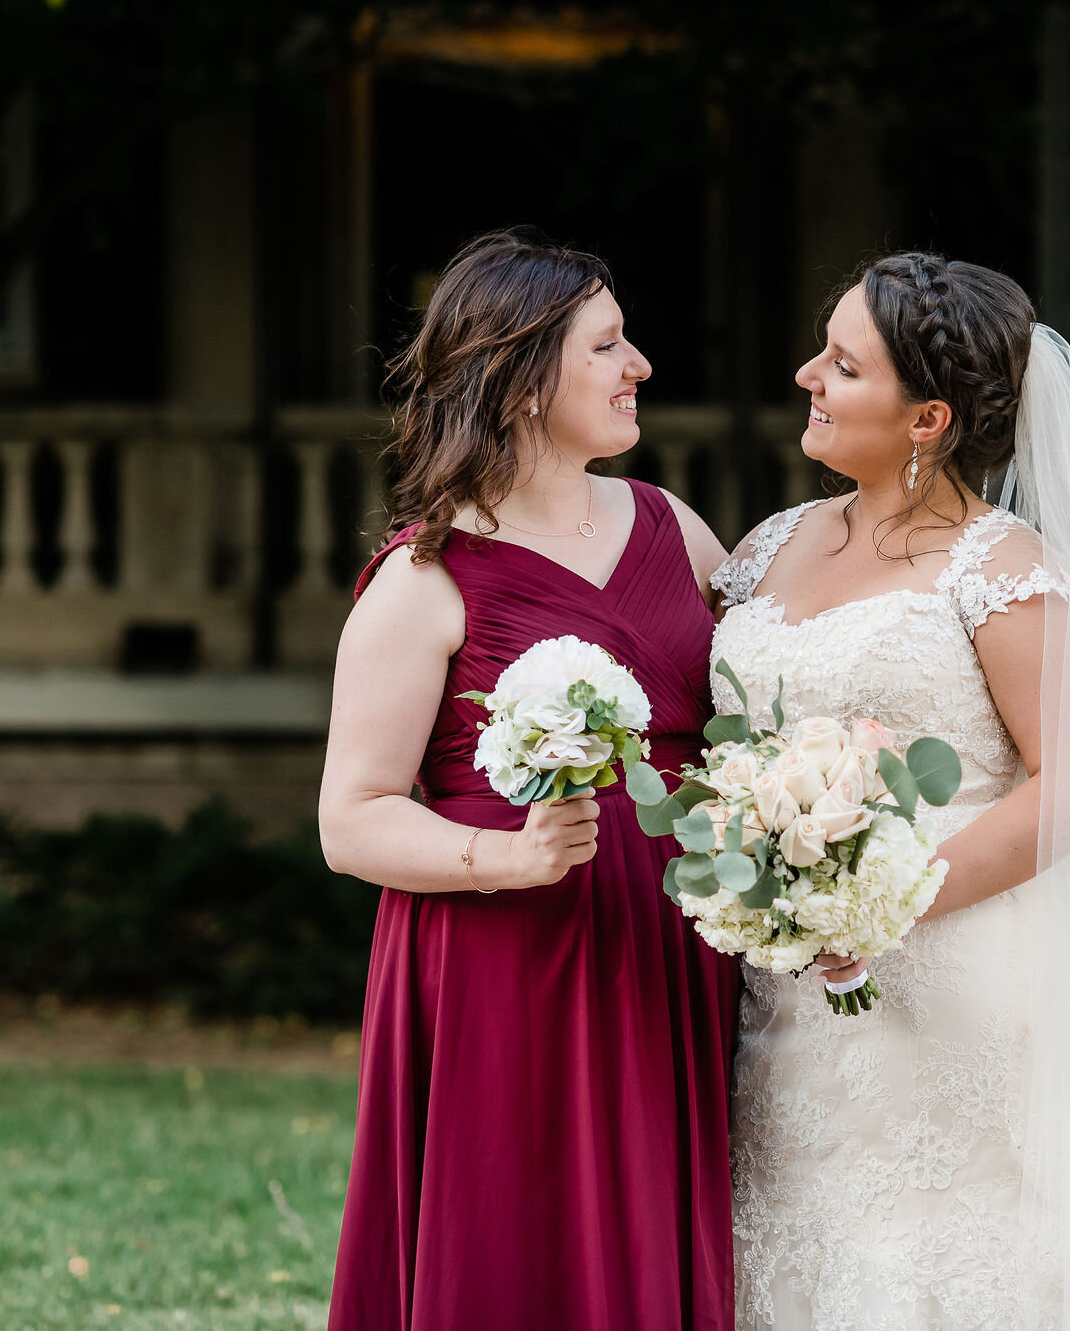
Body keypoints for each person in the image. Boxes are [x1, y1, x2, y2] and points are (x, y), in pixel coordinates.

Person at [711, 251, 1070, 1328]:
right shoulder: (767, 548)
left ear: (926, 419)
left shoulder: (999, 569)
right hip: (788, 986)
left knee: (935, 1257)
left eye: (840, 366)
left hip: (950, 978)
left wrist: (884, 897)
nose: (804, 377)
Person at [319, 230, 740, 1330]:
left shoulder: (675, 531)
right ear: (518, 380)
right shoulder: (424, 581)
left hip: (666, 953)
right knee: (515, 1240)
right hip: (504, 962)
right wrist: (502, 859)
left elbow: (749, 732)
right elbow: (350, 819)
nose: (637, 364)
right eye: (606, 345)